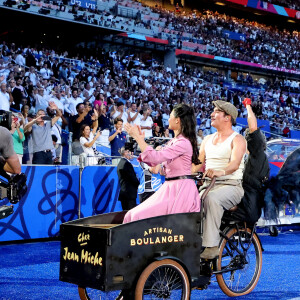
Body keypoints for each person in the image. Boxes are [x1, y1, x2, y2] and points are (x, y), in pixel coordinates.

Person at [123, 103, 200, 223]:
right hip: (170, 188)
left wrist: (138, 138)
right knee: (131, 215)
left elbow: (155, 158)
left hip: (180, 191)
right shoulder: (174, 142)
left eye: (170, 116)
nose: (168, 119)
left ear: (177, 120)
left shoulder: (182, 143)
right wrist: (142, 141)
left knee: (136, 216)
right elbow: (156, 166)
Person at [193, 100, 247, 260]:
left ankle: (211, 246)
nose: (211, 114)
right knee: (186, 200)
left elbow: (235, 164)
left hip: (231, 186)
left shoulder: (238, 139)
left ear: (227, 117)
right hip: (209, 185)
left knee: (211, 199)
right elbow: (198, 163)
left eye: (216, 111)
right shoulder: (207, 139)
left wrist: (219, 171)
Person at [230, 98, 270, 224]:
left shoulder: (257, 153)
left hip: (248, 206)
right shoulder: (254, 156)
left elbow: (253, 127)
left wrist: (248, 106)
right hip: (249, 202)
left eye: (247, 138)